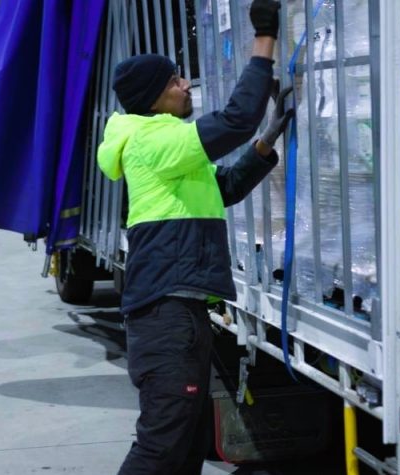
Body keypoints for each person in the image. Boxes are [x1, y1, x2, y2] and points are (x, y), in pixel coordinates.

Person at [96, 1, 292, 473]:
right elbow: (232, 121)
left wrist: (266, 142)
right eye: (175, 81)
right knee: (162, 443)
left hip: (180, 310)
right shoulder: (152, 141)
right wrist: (264, 38)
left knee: (187, 443)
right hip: (165, 314)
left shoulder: (167, 146)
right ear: (153, 98)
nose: (187, 86)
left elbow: (221, 188)